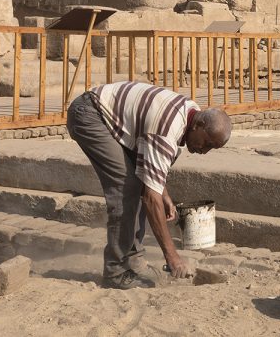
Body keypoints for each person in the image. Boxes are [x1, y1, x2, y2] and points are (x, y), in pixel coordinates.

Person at [66, 81, 232, 289]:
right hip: (89, 114)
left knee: (140, 183)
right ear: (198, 126)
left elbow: (150, 166)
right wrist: (172, 257)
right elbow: (150, 199)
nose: (204, 151)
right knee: (125, 187)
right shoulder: (166, 132)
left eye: (212, 148)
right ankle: (115, 272)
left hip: (110, 117)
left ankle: (132, 262)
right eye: (206, 143)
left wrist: (165, 195)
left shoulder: (191, 116)